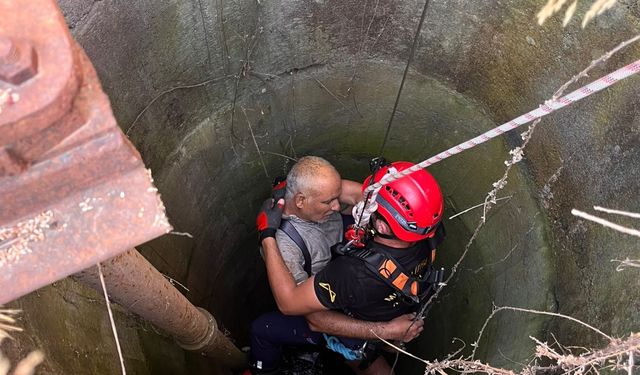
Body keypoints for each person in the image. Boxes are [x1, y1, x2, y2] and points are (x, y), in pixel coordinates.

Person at [256, 160, 446, 374]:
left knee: (262, 330)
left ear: (382, 225)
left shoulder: (352, 273)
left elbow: (301, 310)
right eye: (330, 200)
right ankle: (387, 347)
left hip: (358, 312)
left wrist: (267, 235)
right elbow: (356, 196)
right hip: (395, 301)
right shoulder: (426, 232)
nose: (338, 206)